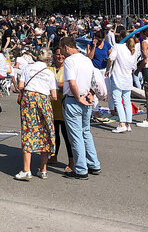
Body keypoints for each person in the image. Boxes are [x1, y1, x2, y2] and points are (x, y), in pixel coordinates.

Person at [60, 37, 101, 180]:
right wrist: (89, 94)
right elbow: (93, 80)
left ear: (66, 47)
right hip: (87, 96)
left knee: (76, 136)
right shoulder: (86, 59)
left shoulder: (69, 61)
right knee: (86, 132)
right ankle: (94, 163)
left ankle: (81, 169)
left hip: (74, 100)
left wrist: (78, 98)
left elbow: (72, 83)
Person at [14, 48, 57, 180]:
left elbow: (20, 86)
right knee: (45, 131)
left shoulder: (28, 68)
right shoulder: (49, 73)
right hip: (43, 100)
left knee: (29, 131)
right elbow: (54, 96)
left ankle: (26, 170)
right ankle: (43, 169)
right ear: (48, 60)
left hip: (29, 99)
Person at [107, 34, 139, 133]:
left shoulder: (118, 46)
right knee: (127, 101)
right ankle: (128, 123)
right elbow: (134, 66)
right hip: (127, 78)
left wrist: (108, 70)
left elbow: (111, 59)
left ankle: (122, 123)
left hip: (118, 78)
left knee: (118, 101)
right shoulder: (133, 50)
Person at [48, 47, 73, 171]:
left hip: (64, 106)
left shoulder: (68, 69)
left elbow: (69, 85)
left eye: (62, 54)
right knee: (53, 134)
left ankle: (71, 161)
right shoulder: (49, 69)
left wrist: (54, 85)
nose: (60, 57)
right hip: (51, 107)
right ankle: (53, 156)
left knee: (66, 135)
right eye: (57, 54)